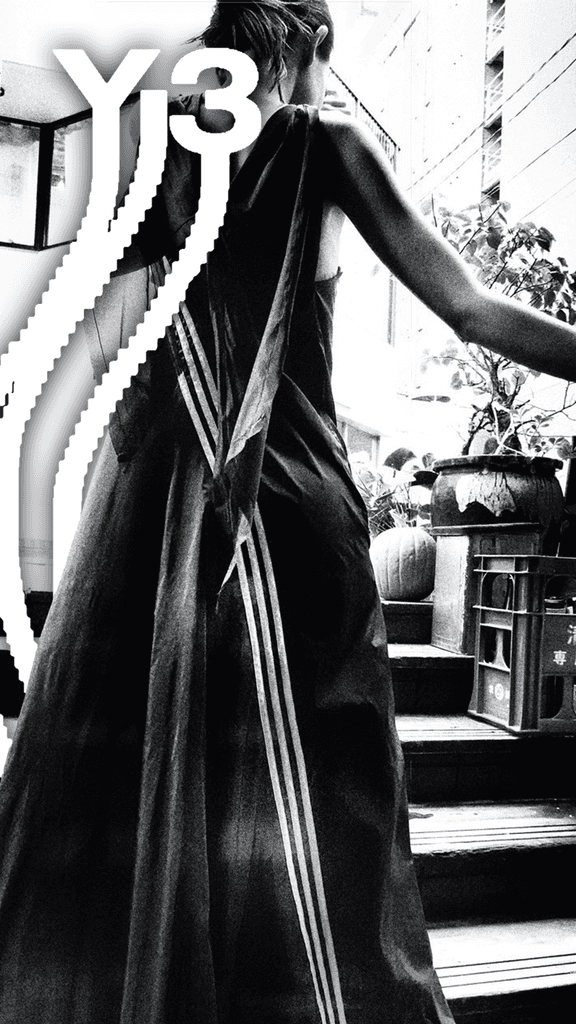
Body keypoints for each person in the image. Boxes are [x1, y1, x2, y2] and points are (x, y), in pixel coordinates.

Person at [0, 3, 575, 1022]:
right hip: (285, 518)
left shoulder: (154, 163)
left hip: (146, 534)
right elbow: (472, 309)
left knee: (161, 799)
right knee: (324, 808)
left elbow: (107, 359)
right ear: (307, 45)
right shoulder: (322, 145)